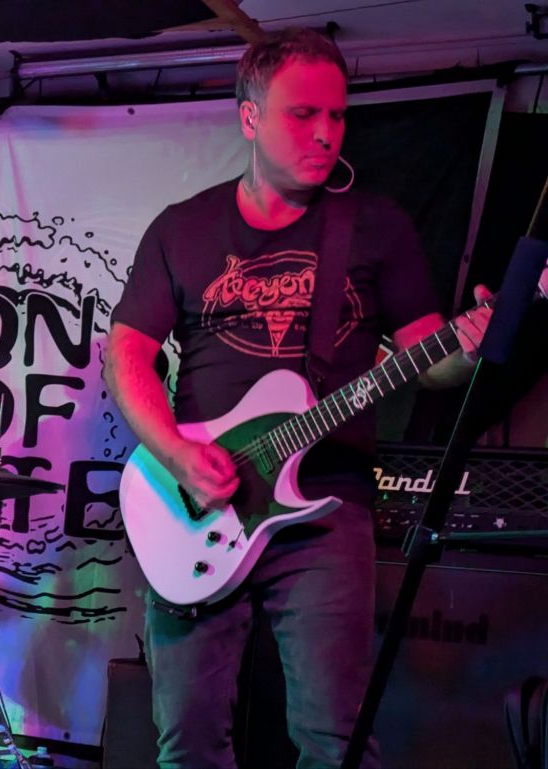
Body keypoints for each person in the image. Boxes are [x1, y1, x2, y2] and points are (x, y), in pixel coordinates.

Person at [105, 27, 492, 769]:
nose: (325, 133)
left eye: (337, 115)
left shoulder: (375, 227)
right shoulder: (183, 228)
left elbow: (427, 358)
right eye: (303, 114)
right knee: (187, 742)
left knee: (333, 739)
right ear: (249, 116)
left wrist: (467, 348)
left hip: (326, 507)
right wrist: (178, 454)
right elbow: (126, 355)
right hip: (200, 503)